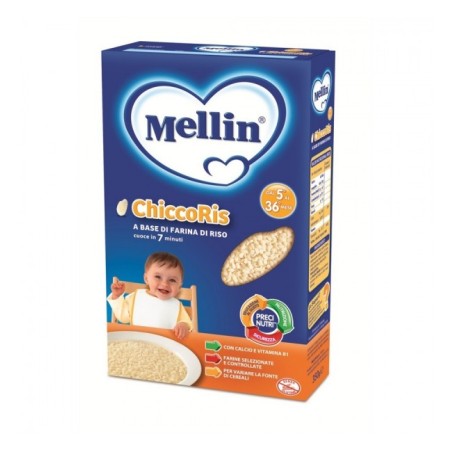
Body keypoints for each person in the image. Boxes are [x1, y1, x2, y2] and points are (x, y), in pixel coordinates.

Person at [107, 252, 192, 339]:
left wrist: (183, 325)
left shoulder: (177, 305)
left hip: (165, 344)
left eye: (172, 280)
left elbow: (187, 323)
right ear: (146, 278)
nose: (165, 284)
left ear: (179, 287)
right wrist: (116, 296)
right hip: (137, 340)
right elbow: (123, 317)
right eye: (158, 277)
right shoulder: (137, 297)